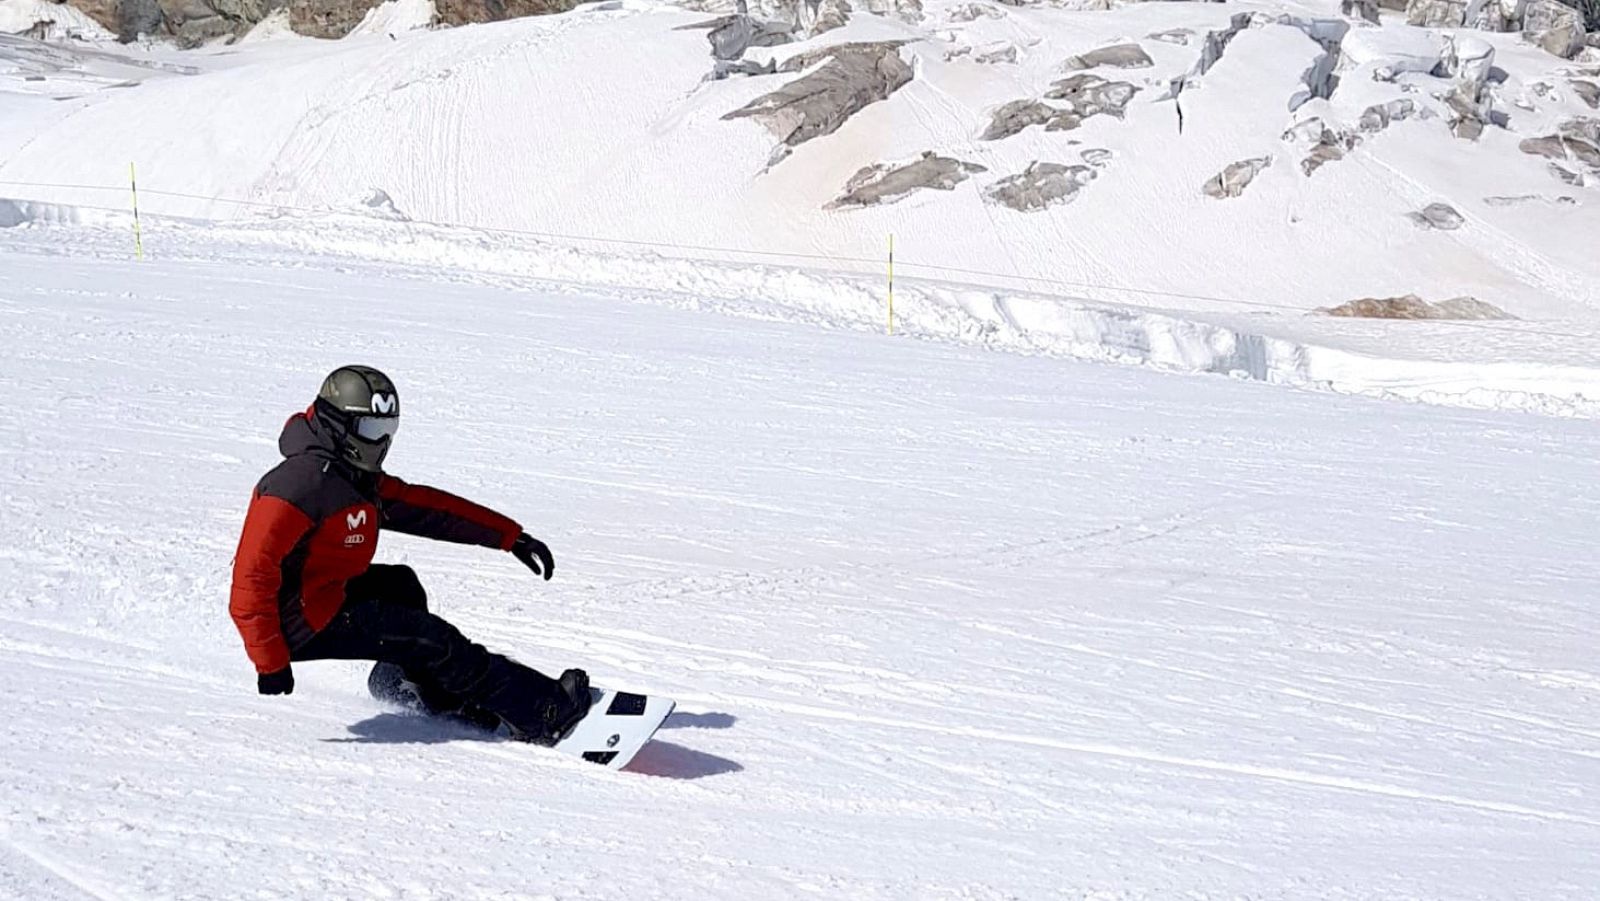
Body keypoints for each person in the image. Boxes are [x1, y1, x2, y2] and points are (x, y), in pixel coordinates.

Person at [228, 365, 591, 745]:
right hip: (295, 623)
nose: (381, 442)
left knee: (402, 587)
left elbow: (429, 510)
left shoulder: (350, 476)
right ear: (338, 425)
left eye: (388, 430)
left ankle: (438, 696)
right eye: (371, 430)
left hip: (321, 593)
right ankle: (544, 712)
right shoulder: (298, 486)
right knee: (430, 638)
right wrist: (270, 662)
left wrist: (510, 537)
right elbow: (250, 580)